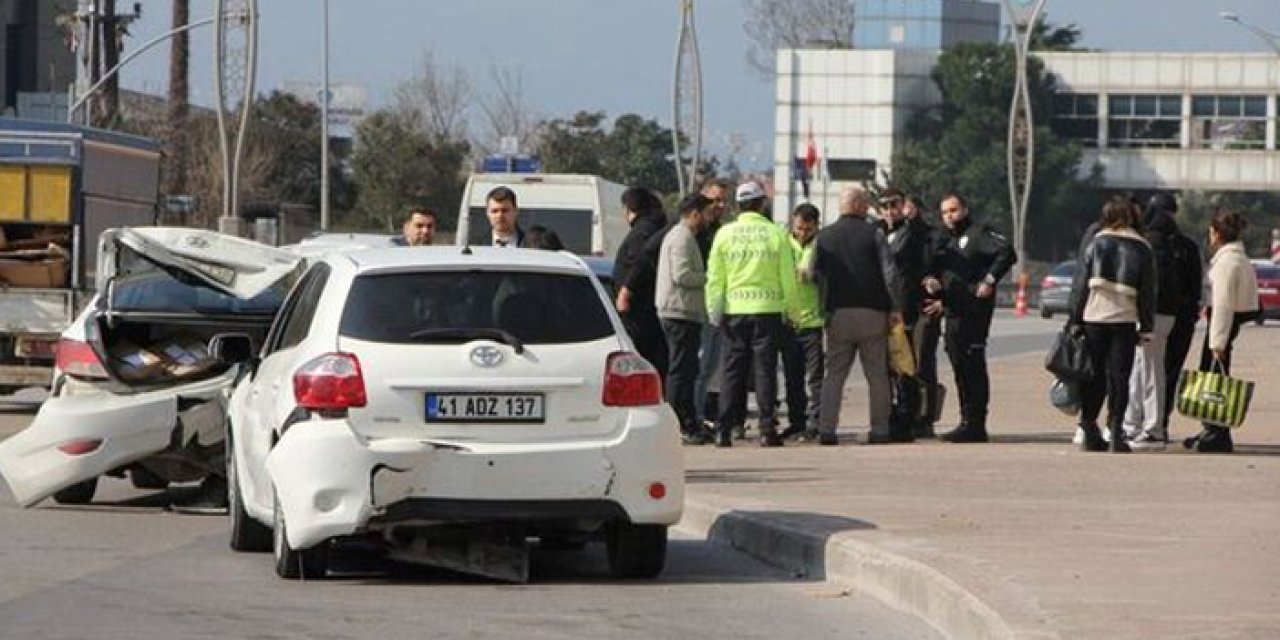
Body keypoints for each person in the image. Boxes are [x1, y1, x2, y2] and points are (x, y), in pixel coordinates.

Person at [705, 180, 800, 448]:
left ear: (738, 205)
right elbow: (787, 278)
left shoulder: (724, 234)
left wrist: (715, 310)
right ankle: (767, 430)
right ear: (761, 204)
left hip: (734, 312)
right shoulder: (776, 234)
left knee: (732, 371)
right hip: (767, 311)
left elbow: (715, 278)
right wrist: (793, 312)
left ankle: (724, 430)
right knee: (765, 371)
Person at [810, 186, 904, 446]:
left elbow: (812, 273)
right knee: (876, 374)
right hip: (872, 313)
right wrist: (895, 307)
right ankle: (880, 429)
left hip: (837, 314)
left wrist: (824, 309)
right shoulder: (874, 233)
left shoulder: (824, 236)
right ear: (861, 206)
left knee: (834, 374)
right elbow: (890, 274)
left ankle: (826, 430)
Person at [923, 193, 1017, 443]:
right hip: (953, 312)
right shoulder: (946, 241)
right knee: (959, 366)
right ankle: (966, 420)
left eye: (953, 210)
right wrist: (937, 288)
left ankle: (976, 423)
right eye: (944, 212)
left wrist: (989, 280)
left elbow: (1006, 252)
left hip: (973, 312)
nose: (949, 216)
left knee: (973, 366)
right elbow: (947, 275)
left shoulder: (977, 234)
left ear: (964, 209)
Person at [1069, 196, 1157, 453]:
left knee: (1093, 375)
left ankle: (1088, 427)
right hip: (1125, 319)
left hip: (1094, 317)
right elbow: (1148, 291)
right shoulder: (1142, 247)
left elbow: (1079, 285)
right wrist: (1147, 325)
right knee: (1120, 377)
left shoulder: (1096, 243)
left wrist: (1074, 319)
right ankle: (1117, 431)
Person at [1183, 210, 1259, 454]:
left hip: (1221, 326)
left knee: (1214, 380)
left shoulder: (1227, 262)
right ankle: (1212, 428)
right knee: (1215, 377)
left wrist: (1217, 343)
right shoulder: (1239, 257)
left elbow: (1223, 306)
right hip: (1227, 325)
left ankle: (1218, 431)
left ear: (1217, 233)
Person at [1121, 194, 1193, 450]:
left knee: (1146, 371)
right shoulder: (1181, 244)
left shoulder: (1146, 244)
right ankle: (1139, 424)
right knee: (1147, 370)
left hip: (1149, 315)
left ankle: (1150, 428)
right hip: (1170, 316)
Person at [657, 192, 714, 445]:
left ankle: (687, 420)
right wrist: (710, 277)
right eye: (706, 213)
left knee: (686, 369)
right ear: (694, 213)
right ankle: (676, 422)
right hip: (678, 312)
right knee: (680, 370)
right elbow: (682, 275)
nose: (708, 219)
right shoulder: (681, 237)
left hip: (684, 312)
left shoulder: (684, 236)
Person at [881, 188, 932, 442]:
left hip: (906, 309)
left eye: (894, 205)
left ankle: (910, 417)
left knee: (907, 366)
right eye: (885, 206)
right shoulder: (879, 233)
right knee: (888, 366)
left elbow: (925, 262)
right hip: (882, 309)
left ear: (904, 206)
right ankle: (892, 414)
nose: (890, 211)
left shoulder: (912, 233)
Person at [1158, 197, 1204, 442]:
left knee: (1143, 371)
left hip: (1154, 317)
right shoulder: (1188, 247)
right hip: (1182, 318)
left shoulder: (1146, 243)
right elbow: (1196, 287)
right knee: (1169, 372)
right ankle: (1161, 421)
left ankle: (1143, 421)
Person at [778, 203, 825, 442]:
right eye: (799, 228)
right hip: (789, 320)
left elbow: (831, 275)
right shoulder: (783, 243)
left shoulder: (822, 245)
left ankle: (816, 422)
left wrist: (814, 276)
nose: (802, 233)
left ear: (816, 226)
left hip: (814, 320)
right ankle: (796, 421)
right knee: (792, 376)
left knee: (815, 376)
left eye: (807, 229)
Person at [613, 186, 669, 380]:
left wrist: (625, 292)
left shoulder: (643, 231)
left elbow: (641, 262)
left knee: (640, 363)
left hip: (639, 310)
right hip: (646, 308)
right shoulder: (652, 227)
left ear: (628, 208)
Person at [694, 178, 733, 430]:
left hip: (716, 305)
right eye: (714, 200)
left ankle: (704, 414)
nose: (719, 205)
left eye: (723, 201)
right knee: (700, 365)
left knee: (711, 367)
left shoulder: (721, 231)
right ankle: (695, 416)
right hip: (697, 307)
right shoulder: (693, 232)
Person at [905, 196, 944, 437]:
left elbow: (947, 271)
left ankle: (925, 417)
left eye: (906, 206)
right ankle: (905, 413)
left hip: (925, 308)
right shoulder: (888, 235)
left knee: (922, 362)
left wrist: (944, 299)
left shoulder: (932, 237)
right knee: (900, 365)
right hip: (899, 309)